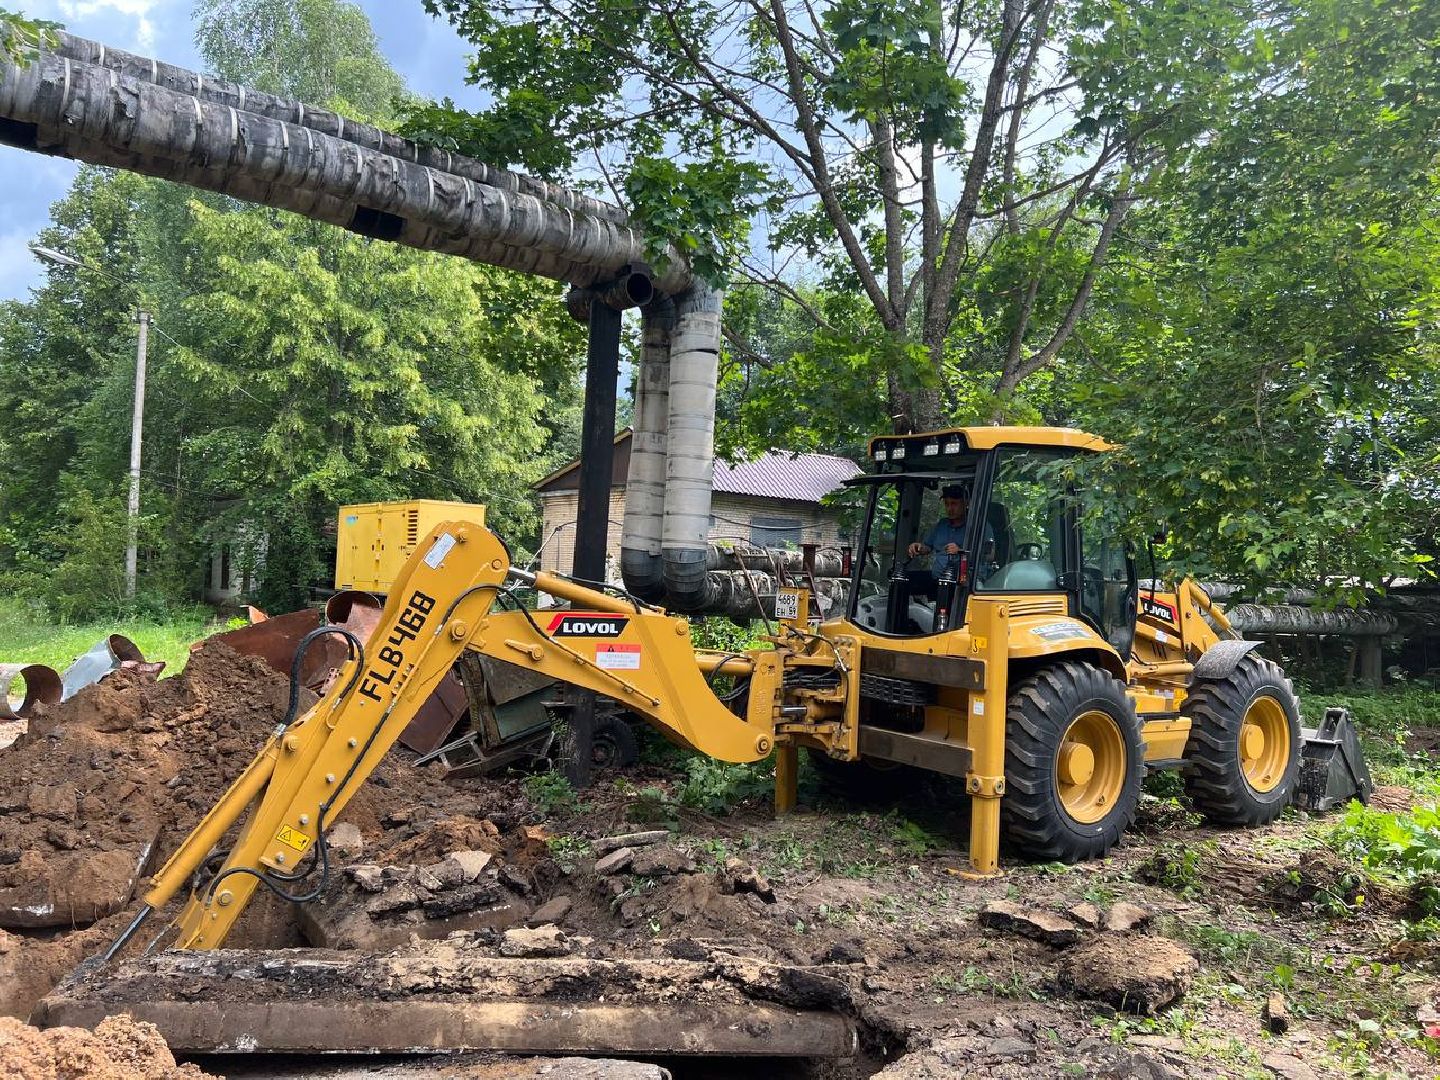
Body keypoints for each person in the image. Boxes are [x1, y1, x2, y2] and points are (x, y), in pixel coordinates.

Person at [906, 484, 987, 600]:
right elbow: (927, 547)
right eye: (947, 504)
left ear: (966, 504)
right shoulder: (941, 525)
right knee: (904, 580)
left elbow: (989, 555)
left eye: (954, 504)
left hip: (965, 584)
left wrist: (960, 551)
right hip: (938, 580)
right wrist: (918, 547)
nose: (950, 509)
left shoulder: (979, 525)